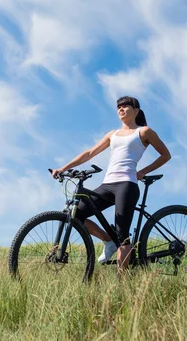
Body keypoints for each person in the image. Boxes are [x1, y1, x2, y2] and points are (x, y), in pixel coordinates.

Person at [51, 96, 171, 272]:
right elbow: (90, 152)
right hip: (107, 185)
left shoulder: (144, 132)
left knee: (123, 235)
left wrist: (143, 171)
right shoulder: (112, 134)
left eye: (125, 106)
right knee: (75, 215)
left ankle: (122, 285)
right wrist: (63, 168)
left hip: (127, 185)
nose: (121, 109)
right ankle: (108, 240)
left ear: (136, 111)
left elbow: (165, 155)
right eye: (118, 107)